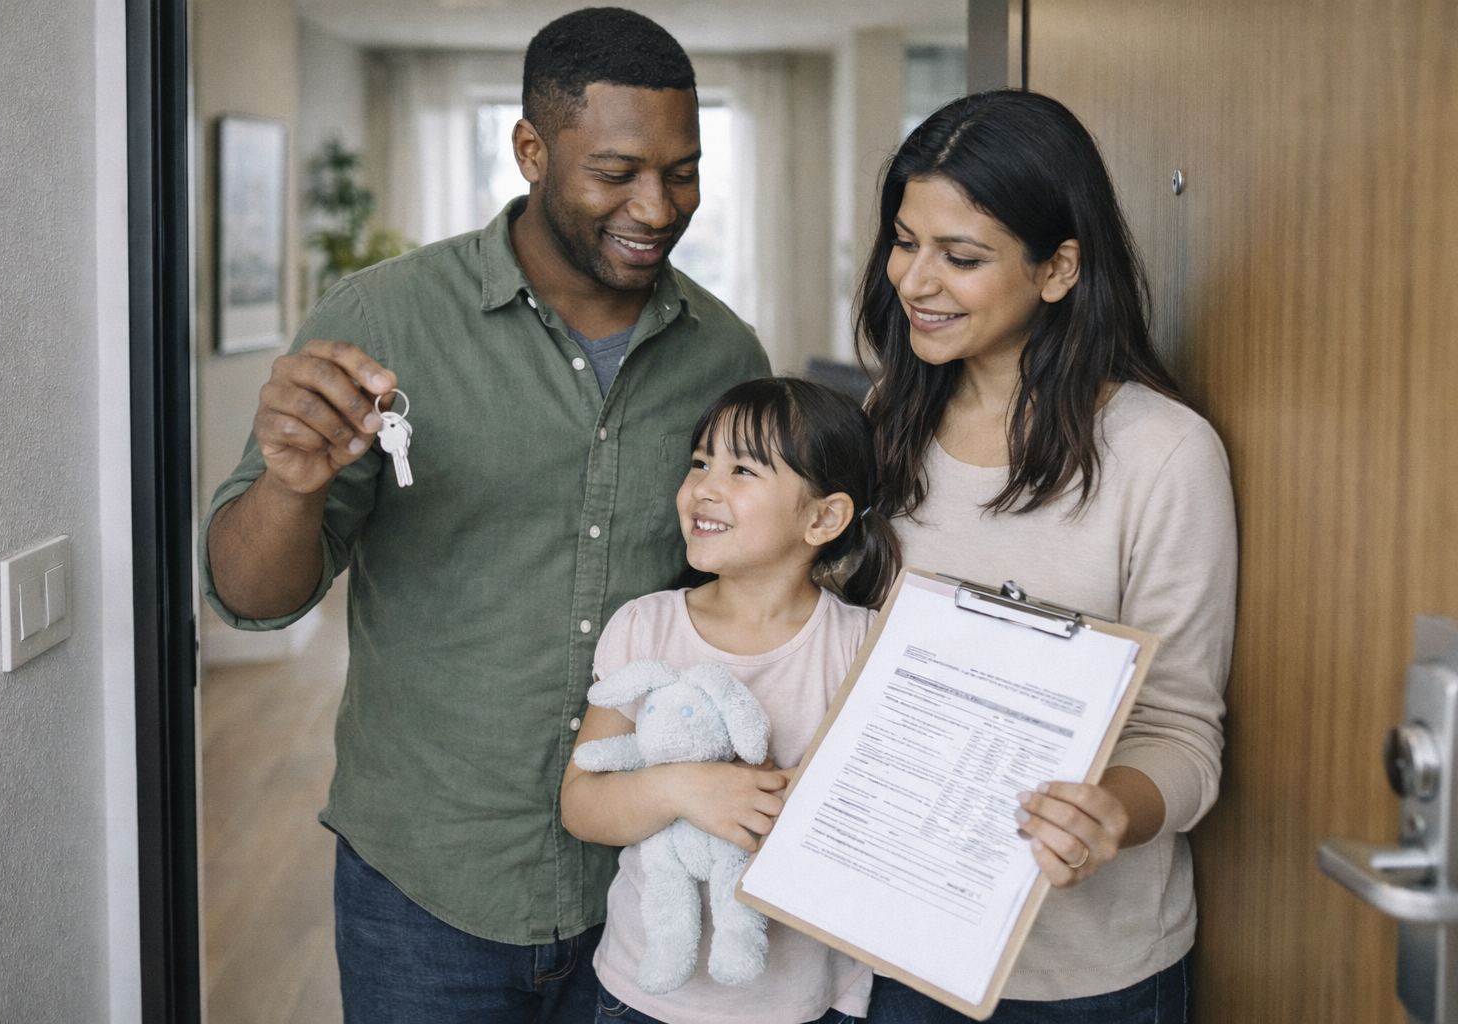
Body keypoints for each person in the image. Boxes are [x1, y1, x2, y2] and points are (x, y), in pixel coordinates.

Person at [199, 9, 770, 1022]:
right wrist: (289, 484)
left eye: (682, 171)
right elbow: (252, 598)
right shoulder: (381, 321)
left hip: (643, 885)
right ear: (531, 151)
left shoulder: (726, 358)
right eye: (617, 171)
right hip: (427, 892)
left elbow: (744, 607)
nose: (657, 205)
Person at [857, 91, 1237, 1023]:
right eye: (906, 242)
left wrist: (1114, 811)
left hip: (1085, 978)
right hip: (887, 942)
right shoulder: (878, 425)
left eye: (963, 257)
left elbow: (1185, 736)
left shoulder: (1164, 454)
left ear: (1060, 267)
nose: (916, 281)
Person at [560, 377, 901, 1024]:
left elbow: (873, 827)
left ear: (823, 517)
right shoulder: (644, 626)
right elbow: (581, 803)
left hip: (807, 1003)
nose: (704, 488)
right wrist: (681, 790)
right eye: (699, 462)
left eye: (742, 468)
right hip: (643, 995)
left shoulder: (864, 646)